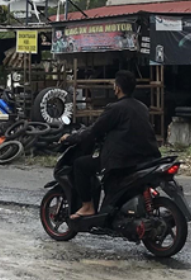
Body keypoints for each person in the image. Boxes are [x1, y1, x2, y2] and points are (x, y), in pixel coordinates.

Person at [60, 70, 160, 219]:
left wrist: (70, 138)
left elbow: (94, 130)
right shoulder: (142, 107)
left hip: (121, 161)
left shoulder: (115, 108)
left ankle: (87, 206)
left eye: (114, 84)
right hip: (146, 159)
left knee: (80, 165)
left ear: (117, 88)